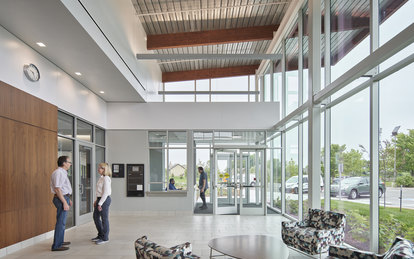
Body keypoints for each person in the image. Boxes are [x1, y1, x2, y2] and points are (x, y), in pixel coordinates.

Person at [50, 156, 73, 251]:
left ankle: (60, 241)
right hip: (60, 199)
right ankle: (56, 245)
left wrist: (68, 199)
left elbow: (63, 188)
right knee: (61, 222)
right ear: (64, 163)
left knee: (62, 222)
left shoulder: (63, 172)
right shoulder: (59, 173)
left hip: (64, 197)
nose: (70, 164)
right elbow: (57, 189)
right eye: (69, 162)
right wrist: (64, 202)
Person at [92, 162, 112, 245]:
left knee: (104, 219)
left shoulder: (106, 178)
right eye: (98, 167)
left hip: (104, 200)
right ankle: (100, 234)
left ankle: (105, 237)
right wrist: (97, 200)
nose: (98, 169)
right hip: (100, 199)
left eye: (100, 167)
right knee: (96, 217)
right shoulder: (101, 178)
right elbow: (99, 192)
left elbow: (106, 192)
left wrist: (100, 203)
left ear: (104, 169)